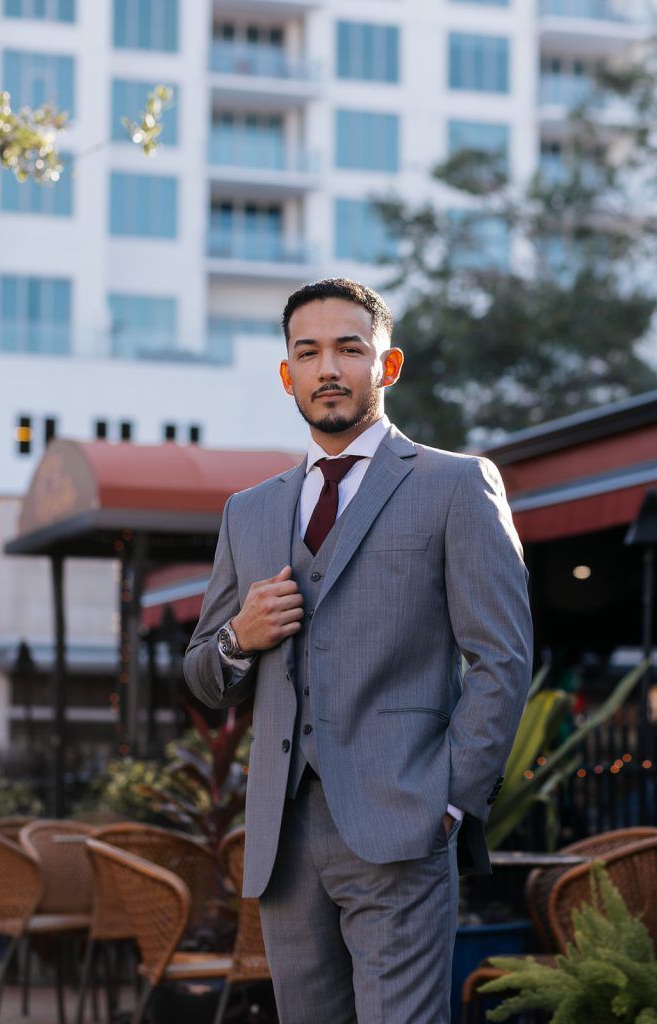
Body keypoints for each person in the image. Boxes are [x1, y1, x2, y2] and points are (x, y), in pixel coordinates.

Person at [183, 278, 532, 1024]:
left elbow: (501, 660)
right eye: (307, 353)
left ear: (388, 365)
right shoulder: (249, 512)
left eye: (350, 349)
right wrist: (239, 640)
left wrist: (449, 803)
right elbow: (204, 678)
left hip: (403, 825)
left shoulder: (456, 486)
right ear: (287, 376)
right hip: (283, 841)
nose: (328, 369)